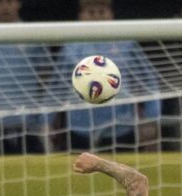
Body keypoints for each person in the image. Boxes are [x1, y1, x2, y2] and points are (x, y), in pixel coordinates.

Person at [55, 0, 161, 152]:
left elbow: (148, 81)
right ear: (81, 15)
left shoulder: (126, 44)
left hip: (121, 129)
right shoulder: (70, 47)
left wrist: (151, 118)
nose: (96, 17)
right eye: (91, 12)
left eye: (101, 12)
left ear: (111, 14)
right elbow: (57, 86)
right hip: (80, 129)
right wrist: (46, 122)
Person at [0, 0, 49, 154]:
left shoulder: (32, 35)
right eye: (0, 3)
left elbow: (44, 77)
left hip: (27, 122)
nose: (5, 7)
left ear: (18, 4)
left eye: (9, 2)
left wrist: (43, 114)